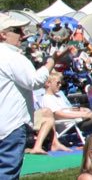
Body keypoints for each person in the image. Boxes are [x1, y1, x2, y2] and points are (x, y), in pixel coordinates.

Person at [1, 17, 53, 177]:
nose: (23, 35)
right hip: (11, 124)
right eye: (17, 31)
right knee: (7, 172)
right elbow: (34, 81)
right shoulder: (12, 56)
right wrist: (50, 63)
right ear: (3, 34)